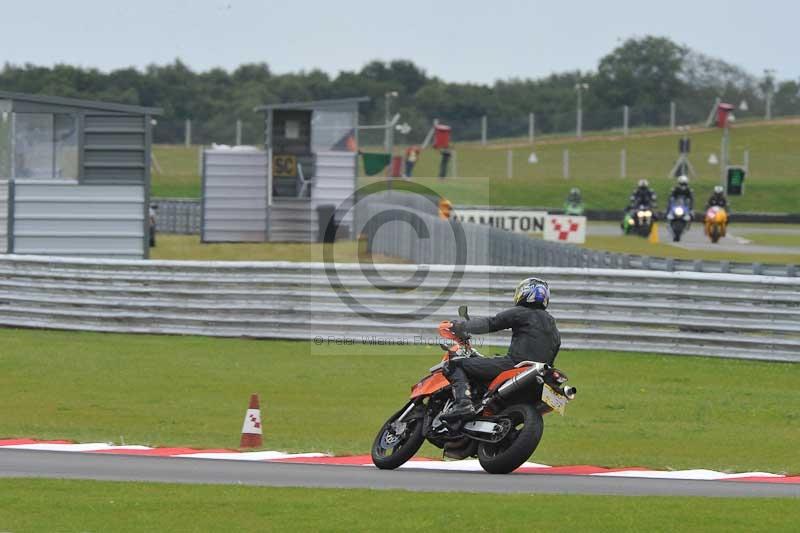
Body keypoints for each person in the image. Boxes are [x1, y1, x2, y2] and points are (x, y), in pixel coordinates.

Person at [442, 277, 561, 420]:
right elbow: (555, 348)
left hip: (514, 365)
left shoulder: (521, 312)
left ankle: (463, 404)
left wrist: (460, 326)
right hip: (542, 375)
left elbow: (491, 323)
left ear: (524, 292)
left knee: (453, 364)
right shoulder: (552, 323)